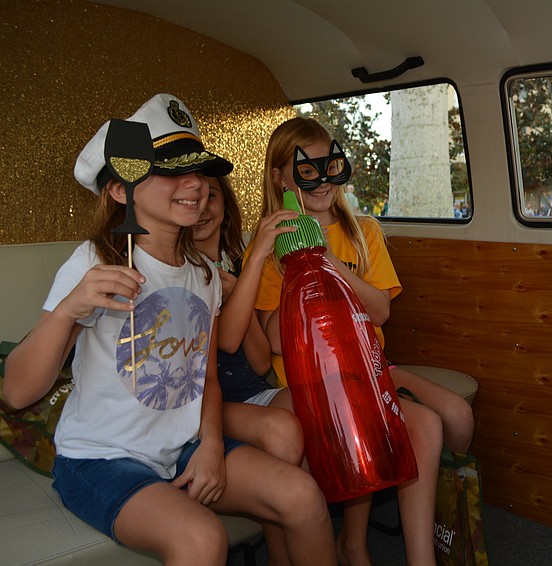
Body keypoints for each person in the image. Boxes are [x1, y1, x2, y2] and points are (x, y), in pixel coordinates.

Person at [2, 94, 336, 566]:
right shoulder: (95, 261)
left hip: (181, 448)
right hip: (100, 459)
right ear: (121, 189)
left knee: (303, 495)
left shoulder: (203, 273)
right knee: (200, 538)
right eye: (170, 170)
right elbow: (17, 391)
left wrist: (213, 445)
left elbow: (209, 380)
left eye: (198, 170)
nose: (195, 183)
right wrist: (68, 310)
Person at [249, 116, 474, 566]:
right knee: (372, 420)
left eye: (329, 165)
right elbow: (275, 339)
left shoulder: (362, 233)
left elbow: (380, 311)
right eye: (306, 170)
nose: (322, 181)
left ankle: (420, 558)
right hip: (307, 384)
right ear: (281, 177)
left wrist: (326, 258)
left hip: (367, 371)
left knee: (433, 424)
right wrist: (300, 262)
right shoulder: (268, 246)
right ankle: (354, 545)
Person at [193, 175, 315, 564]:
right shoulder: (184, 269)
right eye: (192, 198)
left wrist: (238, 289)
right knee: (280, 430)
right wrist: (247, 274)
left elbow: (261, 361)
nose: (201, 208)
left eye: (211, 197)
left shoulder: (234, 262)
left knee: (314, 400)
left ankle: (313, 533)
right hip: (206, 403)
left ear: (226, 205)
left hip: (249, 389)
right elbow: (224, 343)